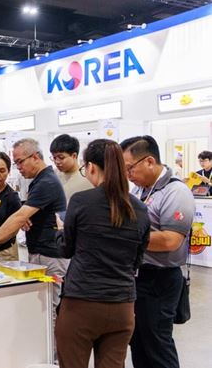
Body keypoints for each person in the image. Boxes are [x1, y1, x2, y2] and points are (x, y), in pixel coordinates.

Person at [55, 139, 150, 368]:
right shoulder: (140, 208)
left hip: (81, 304)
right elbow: (137, 259)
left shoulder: (81, 202)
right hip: (122, 307)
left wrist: (59, 230)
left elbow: (66, 249)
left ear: (91, 167)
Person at [120, 136, 194, 368]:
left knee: (157, 343)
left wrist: (123, 235)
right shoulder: (139, 190)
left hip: (160, 280)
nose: (128, 174)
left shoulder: (176, 191)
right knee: (138, 341)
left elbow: (171, 240)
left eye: (129, 168)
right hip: (138, 277)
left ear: (150, 161)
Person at [0, 138, 67, 319]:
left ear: (35, 157)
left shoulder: (46, 182)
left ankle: (51, 348)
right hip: (40, 251)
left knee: (47, 310)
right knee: (39, 308)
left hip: (49, 254)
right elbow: (24, 215)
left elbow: (18, 217)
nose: (18, 167)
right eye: (16, 162)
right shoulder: (39, 181)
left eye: (20, 161)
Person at [50, 134, 93, 203]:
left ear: (74, 156)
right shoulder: (53, 175)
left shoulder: (87, 176)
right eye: (54, 158)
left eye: (61, 157)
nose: (57, 162)